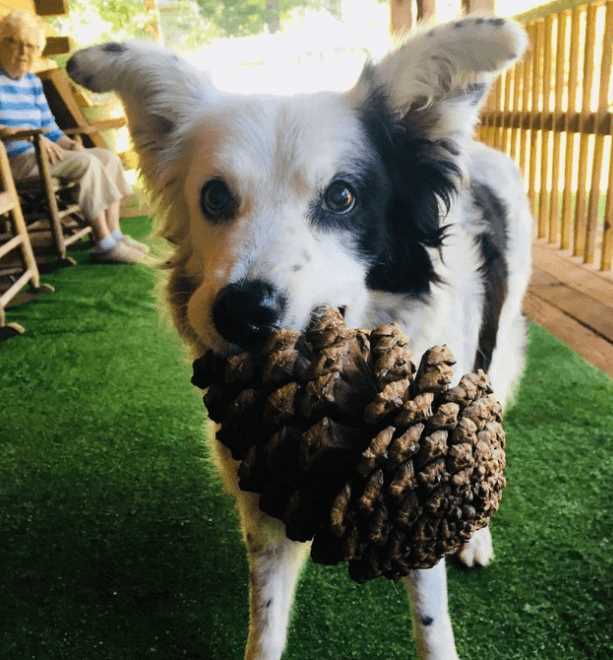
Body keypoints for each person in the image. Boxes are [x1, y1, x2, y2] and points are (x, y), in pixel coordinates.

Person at [0, 11, 146, 264]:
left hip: (44, 153)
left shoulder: (33, 83)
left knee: (106, 158)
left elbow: (50, 127)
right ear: (1, 42)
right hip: (13, 160)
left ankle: (115, 235)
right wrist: (31, 139)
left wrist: (67, 143)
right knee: (86, 163)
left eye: (31, 46)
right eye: (15, 42)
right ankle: (104, 242)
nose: (24, 51)